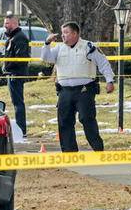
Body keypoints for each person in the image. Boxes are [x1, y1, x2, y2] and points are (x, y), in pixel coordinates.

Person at [41, 21, 115, 152]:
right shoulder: (59, 48)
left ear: (75, 33)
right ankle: (69, 153)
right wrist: (47, 44)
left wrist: (109, 80)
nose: (63, 36)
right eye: (62, 33)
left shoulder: (88, 46)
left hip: (84, 90)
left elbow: (103, 63)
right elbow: (46, 58)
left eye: (66, 33)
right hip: (65, 91)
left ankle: (98, 148)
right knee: (64, 121)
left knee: (86, 118)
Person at [2, 14, 30, 137]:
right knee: (16, 103)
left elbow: (21, 58)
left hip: (16, 74)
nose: (5, 25)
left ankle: (21, 130)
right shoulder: (13, 37)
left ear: (14, 24)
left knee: (18, 103)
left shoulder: (20, 38)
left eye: (7, 23)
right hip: (12, 73)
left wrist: (7, 66)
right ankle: (20, 129)